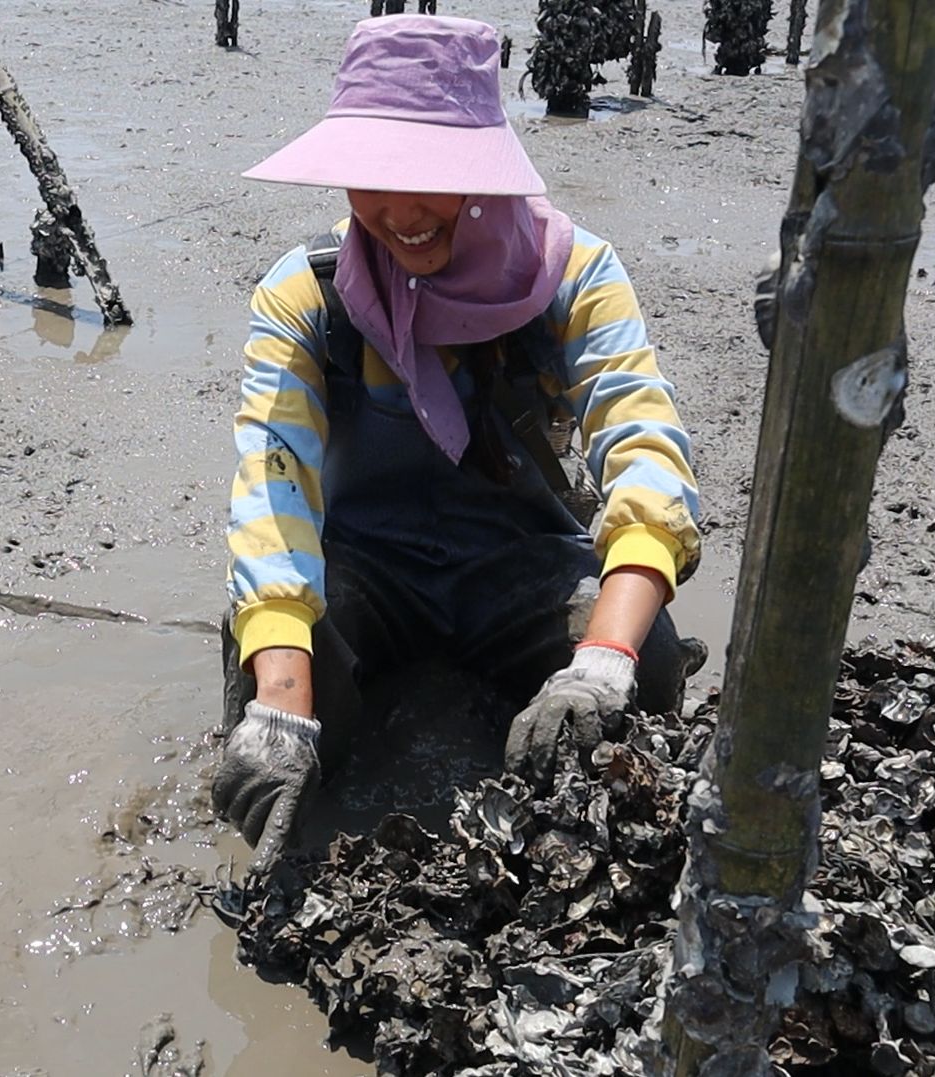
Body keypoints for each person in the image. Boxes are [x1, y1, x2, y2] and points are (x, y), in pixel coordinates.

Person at [212, 15, 703, 873]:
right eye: (373, 176)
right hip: (368, 570)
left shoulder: (575, 276)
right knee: (271, 681)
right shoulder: (303, 297)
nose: (400, 212)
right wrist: (283, 708)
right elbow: (271, 498)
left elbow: (648, 461)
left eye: (431, 176)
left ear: (485, 171)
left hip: (519, 567)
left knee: (648, 666)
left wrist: (603, 659)